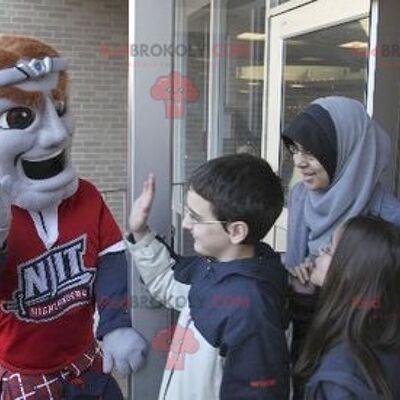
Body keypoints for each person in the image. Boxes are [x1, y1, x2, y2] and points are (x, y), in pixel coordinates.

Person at [0, 35, 147, 399]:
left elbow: (111, 259)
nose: (56, 133)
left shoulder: (87, 196)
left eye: (61, 106)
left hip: (87, 366)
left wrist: (114, 325)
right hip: (24, 378)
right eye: (20, 117)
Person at [127, 154, 290, 400]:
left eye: (196, 217)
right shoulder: (216, 268)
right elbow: (169, 282)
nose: (186, 224)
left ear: (236, 231)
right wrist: (139, 231)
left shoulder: (252, 309)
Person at [281, 96, 400, 399]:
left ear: (348, 151)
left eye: (311, 152)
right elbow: (296, 270)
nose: (299, 162)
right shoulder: (300, 198)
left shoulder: (390, 220)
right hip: (309, 342)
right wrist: (299, 286)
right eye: (295, 150)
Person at [295, 216, 400, 399]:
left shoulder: (340, 380)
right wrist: (306, 298)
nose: (319, 253)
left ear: (351, 272)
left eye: (328, 249)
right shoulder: (379, 329)